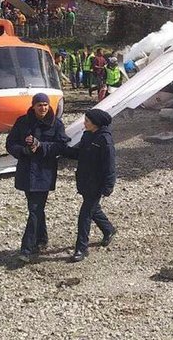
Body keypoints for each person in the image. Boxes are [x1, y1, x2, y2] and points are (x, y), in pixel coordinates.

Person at [6, 94, 69, 261]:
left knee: (34, 209)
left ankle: (26, 249)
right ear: (33, 106)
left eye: (46, 105)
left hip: (44, 172)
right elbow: (10, 144)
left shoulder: (56, 124)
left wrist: (41, 146)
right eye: (40, 105)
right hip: (26, 171)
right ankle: (42, 239)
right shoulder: (22, 122)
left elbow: (62, 146)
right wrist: (24, 150)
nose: (43, 108)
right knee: (35, 208)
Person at [59, 108, 117, 263]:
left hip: (96, 184)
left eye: (87, 121)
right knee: (93, 209)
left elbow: (110, 165)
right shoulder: (87, 135)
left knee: (85, 215)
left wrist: (108, 186)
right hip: (84, 181)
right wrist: (62, 149)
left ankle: (81, 249)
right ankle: (109, 229)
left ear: (96, 123)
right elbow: (78, 154)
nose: (84, 124)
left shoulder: (105, 140)